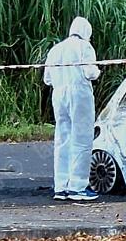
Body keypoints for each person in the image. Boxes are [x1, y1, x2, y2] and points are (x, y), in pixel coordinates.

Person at [44, 17, 102, 201]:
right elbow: (90, 72)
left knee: (62, 139)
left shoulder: (56, 49)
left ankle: (61, 186)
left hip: (58, 94)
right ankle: (77, 186)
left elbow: (47, 79)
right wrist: (98, 71)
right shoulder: (85, 47)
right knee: (82, 138)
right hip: (79, 94)